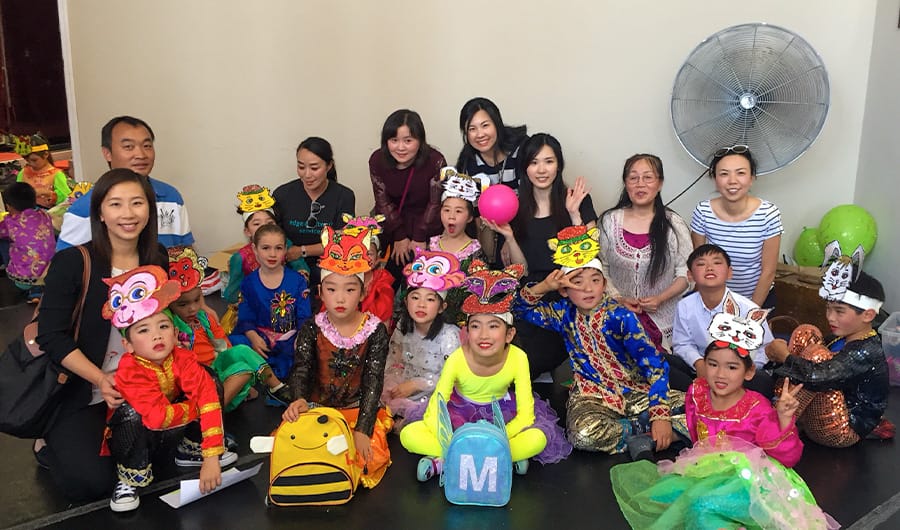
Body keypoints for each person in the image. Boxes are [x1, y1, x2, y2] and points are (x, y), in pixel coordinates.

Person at [35, 168, 168, 502]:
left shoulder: (157, 259)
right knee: (92, 484)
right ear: (100, 213)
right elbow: (50, 336)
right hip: (82, 388)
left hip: (139, 384)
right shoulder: (73, 262)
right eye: (116, 204)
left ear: (149, 209)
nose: (128, 214)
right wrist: (101, 379)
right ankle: (47, 437)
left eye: (137, 203)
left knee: (158, 463)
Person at [610, 337, 837, 529]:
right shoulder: (697, 392)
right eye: (713, 364)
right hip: (707, 470)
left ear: (749, 372)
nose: (720, 374)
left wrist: (783, 419)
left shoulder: (757, 408)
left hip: (748, 481)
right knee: (664, 497)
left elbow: (787, 458)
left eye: (732, 367)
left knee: (703, 506)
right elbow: (697, 432)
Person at [512, 228, 686, 459]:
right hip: (592, 396)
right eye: (578, 282)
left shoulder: (620, 316)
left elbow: (655, 366)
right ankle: (642, 431)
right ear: (564, 290)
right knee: (582, 434)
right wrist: (544, 287)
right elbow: (519, 309)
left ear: (603, 285)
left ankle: (646, 434)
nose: (588, 288)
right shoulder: (563, 314)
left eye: (595, 281)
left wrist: (660, 414)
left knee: (703, 408)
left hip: (636, 392)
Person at [401, 259, 571, 480]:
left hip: (501, 417)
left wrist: (495, 437)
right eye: (475, 326)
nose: (483, 335)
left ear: (509, 334)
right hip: (458, 417)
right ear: (466, 332)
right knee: (409, 434)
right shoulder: (457, 358)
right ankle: (497, 458)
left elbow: (526, 415)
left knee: (537, 438)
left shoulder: (518, 358)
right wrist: (455, 437)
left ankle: (450, 459)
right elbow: (435, 407)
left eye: (493, 326)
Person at [101, 265, 236, 512]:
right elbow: (156, 417)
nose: (157, 336)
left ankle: (191, 448)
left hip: (172, 428)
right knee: (131, 415)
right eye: (144, 330)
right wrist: (198, 406)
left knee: (209, 377)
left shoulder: (182, 357)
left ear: (175, 333)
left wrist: (211, 456)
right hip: (140, 435)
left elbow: (207, 393)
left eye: (163, 327)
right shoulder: (129, 370)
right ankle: (129, 476)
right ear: (127, 345)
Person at [282, 226, 393, 488]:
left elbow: (373, 380)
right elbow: (301, 369)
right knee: (299, 450)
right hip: (317, 409)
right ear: (321, 292)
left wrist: (363, 429)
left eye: (350, 290)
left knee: (363, 457)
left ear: (362, 293)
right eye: (332, 290)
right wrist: (299, 399)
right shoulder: (313, 327)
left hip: (357, 409)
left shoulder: (374, 330)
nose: (340, 298)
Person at [490, 133, 596, 378]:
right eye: (534, 162)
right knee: (503, 353)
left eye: (548, 161)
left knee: (528, 360)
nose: (541, 170)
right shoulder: (514, 207)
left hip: (566, 302)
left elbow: (589, 260)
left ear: (558, 165)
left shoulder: (576, 201)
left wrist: (574, 216)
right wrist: (509, 238)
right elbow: (521, 272)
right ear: (525, 167)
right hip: (528, 299)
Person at [766, 244, 893, 447]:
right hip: (823, 407)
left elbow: (819, 376)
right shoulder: (843, 337)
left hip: (842, 427)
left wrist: (785, 357)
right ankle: (781, 407)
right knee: (806, 332)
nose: (830, 317)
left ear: (868, 315)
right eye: (828, 309)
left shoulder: (867, 349)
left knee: (818, 357)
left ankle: (777, 424)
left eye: (839, 311)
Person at [167, 246, 293, 411]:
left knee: (242, 354)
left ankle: (276, 388)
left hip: (216, 369)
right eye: (183, 305)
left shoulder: (204, 319)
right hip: (195, 380)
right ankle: (210, 412)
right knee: (242, 369)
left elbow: (223, 345)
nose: (192, 308)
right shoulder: (171, 326)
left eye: (197, 301)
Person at [598, 154, 691, 352]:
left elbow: (686, 273)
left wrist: (661, 298)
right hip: (617, 319)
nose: (640, 184)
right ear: (626, 184)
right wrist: (618, 299)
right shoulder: (609, 221)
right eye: (633, 178)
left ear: (660, 183)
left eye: (648, 177)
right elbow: (601, 268)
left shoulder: (674, 224)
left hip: (665, 324)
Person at [57, 116, 193, 250]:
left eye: (147, 146)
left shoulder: (170, 196)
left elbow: (186, 252)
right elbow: (65, 261)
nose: (141, 155)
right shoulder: (85, 208)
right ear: (107, 153)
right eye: (128, 147)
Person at [670, 244, 775, 397]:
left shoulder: (747, 309)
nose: (709, 268)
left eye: (717, 263)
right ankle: (698, 395)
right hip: (699, 371)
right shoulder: (684, 305)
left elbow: (765, 349)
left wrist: (736, 369)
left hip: (736, 376)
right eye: (701, 264)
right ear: (690, 275)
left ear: (729, 273)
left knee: (762, 381)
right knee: (662, 363)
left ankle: (710, 395)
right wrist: (699, 363)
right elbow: (682, 344)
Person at [690, 145, 782, 308]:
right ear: (715, 179)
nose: (732, 181)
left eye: (740, 173)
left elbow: (768, 272)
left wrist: (750, 313)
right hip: (714, 300)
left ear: (752, 177)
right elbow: (698, 263)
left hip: (757, 300)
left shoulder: (768, 214)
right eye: (724, 174)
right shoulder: (703, 212)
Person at [382, 248, 464, 430]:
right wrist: (393, 385)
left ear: (442, 307)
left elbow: (453, 377)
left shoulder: (449, 335)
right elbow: (393, 359)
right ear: (406, 302)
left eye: (430, 300)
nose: (421, 305)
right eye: (415, 297)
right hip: (404, 389)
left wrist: (417, 384)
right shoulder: (403, 326)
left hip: (436, 395)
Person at [228, 224, 312, 381]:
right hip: (260, 338)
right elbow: (245, 317)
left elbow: (304, 316)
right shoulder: (249, 282)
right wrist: (253, 337)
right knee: (235, 345)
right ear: (255, 249)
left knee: (301, 355)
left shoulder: (298, 281)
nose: (272, 254)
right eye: (266, 248)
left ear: (285, 249)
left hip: (288, 339)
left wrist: (299, 339)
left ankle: (269, 375)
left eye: (278, 248)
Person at [222, 184, 308, 333]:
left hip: (284, 304)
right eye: (257, 224)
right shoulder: (240, 258)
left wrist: (297, 283)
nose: (263, 227)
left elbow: (301, 268)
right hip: (254, 310)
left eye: (269, 223)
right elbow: (232, 294)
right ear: (247, 231)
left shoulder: (285, 245)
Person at [369, 109, 446, 274]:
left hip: (427, 223)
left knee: (423, 273)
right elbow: (382, 201)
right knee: (390, 272)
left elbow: (435, 203)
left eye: (408, 140)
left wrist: (419, 236)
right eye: (394, 140)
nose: (400, 147)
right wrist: (399, 235)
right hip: (393, 222)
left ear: (420, 140)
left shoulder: (435, 161)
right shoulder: (377, 160)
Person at [274, 136, 355, 288]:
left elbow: (341, 241)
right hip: (288, 262)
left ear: (329, 166)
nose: (307, 175)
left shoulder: (344, 196)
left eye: (314, 168)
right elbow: (272, 234)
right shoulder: (282, 194)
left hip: (328, 263)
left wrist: (302, 251)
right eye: (301, 167)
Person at [455, 97, 528, 264]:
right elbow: (475, 213)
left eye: (485, 125)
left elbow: (533, 198)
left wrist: (511, 240)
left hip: (525, 223)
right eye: (472, 129)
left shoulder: (521, 149)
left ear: (497, 124)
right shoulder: (469, 162)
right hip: (491, 229)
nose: (480, 134)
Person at [426, 167, 487, 327]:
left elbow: (480, 293)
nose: (451, 216)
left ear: (470, 217)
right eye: (446, 210)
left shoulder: (475, 252)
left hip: (460, 324)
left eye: (458, 211)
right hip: (427, 320)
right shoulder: (430, 246)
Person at [0, 182, 55, 302]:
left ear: (9, 207)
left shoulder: (10, 222)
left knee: (3, 242)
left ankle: (7, 271)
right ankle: (38, 289)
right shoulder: (44, 215)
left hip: (23, 280)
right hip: (49, 272)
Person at [342, 214, 395, 326]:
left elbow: (384, 320)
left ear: (377, 258)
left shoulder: (383, 283)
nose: (364, 258)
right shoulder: (340, 280)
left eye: (369, 253)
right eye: (358, 253)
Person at [14, 133, 71, 208]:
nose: (31, 163)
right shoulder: (23, 172)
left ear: (46, 154)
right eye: (27, 160)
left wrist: (47, 193)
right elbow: (16, 193)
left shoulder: (56, 174)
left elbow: (67, 197)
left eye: (34, 160)